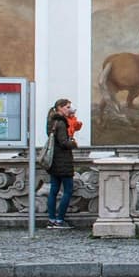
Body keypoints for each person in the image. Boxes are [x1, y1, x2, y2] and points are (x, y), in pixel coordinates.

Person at [44, 98, 80, 229]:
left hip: (54, 160)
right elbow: (63, 142)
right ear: (60, 107)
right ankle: (59, 220)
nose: (69, 109)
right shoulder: (61, 122)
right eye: (67, 107)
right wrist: (73, 143)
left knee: (53, 190)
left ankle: (51, 219)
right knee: (68, 190)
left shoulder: (51, 121)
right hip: (63, 161)